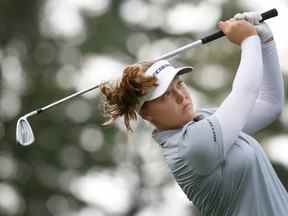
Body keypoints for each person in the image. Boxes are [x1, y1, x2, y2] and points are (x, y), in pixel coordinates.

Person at [100, 12, 287, 215]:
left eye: (179, 84)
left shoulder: (203, 120)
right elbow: (246, 92)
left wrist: (265, 41)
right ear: (146, 114)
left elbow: (270, 105)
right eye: (165, 95)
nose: (181, 97)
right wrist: (248, 40)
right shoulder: (190, 147)